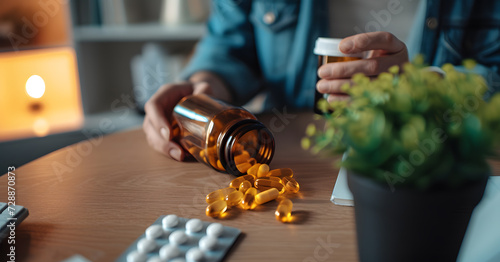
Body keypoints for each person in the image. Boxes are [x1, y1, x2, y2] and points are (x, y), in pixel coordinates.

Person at [143, 0, 500, 161]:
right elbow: (229, 46)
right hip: (293, 156)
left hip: (424, 157)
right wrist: (205, 88)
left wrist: (422, 85)